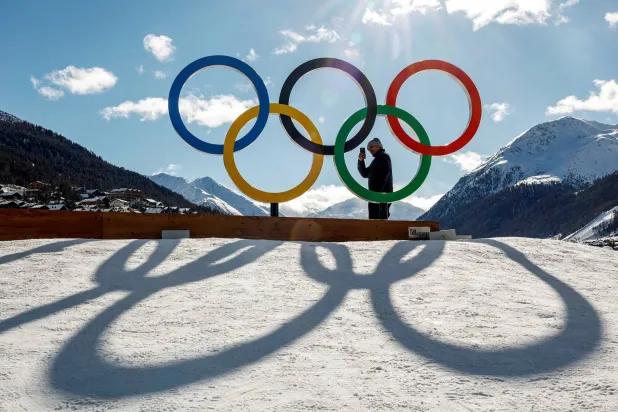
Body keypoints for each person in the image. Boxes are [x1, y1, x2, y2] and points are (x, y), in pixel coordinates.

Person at [358, 137, 393, 220]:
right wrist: (361, 161)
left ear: (378, 146)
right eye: (369, 148)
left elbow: (385, 174)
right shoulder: (376, 160)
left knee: (378, 221)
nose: (370, 149)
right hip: (376, 196)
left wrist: (378, 193)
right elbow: (365, 173)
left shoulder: (383, 156)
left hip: (380, 196)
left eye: (371, 146)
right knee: (375, 220)